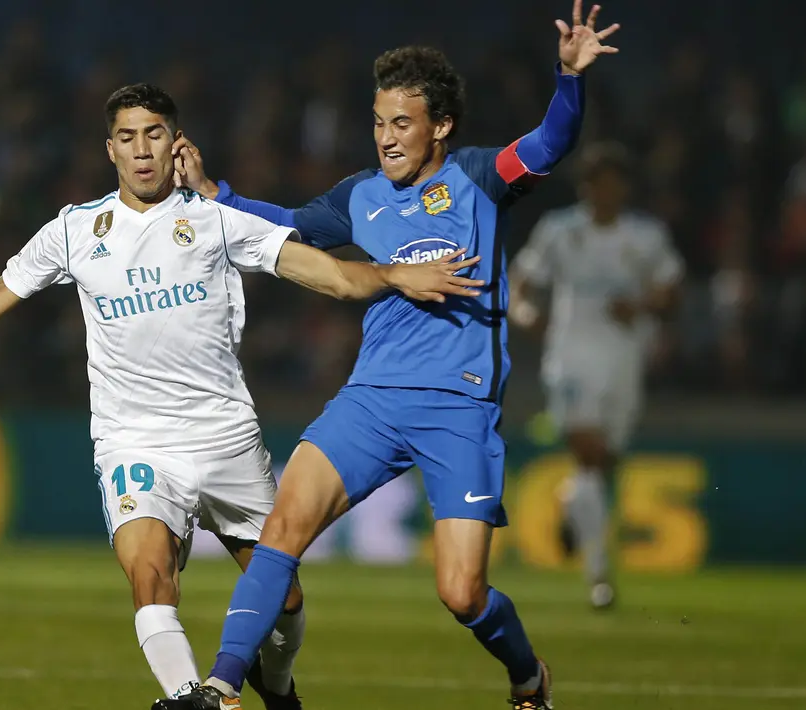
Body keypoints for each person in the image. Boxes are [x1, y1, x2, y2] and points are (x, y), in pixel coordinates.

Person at [0, 83, 485, 707]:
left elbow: (329, 275)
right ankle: (189, 698)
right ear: (109, 149)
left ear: (176, 143)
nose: (141, 150)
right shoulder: (74, 231)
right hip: (134, 440)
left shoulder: (217, 222)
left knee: (284, 600)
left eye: (153, 134)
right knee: (151, 576)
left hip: (224, 436)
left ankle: (278, 691)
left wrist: (394, 274)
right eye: (127, 137)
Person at [156, 3, 618, 708]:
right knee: (283, 528)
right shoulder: (361, 197)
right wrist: (218, 195)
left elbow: (549, 144)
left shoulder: (480, 178)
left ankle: (528, 679)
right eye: (377, 123)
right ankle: (220, 688)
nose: (385, 138)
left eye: (401, 123)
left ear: (440, 126)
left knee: (460, 592)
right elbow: (288, 226)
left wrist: (567, 78)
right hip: (370, 398)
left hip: (458, 407)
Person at [509, 141, 683, 609]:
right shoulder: (560, 231)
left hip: (625, 360)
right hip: (570, 357)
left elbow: (671, 291)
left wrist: (643, 304)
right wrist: (524, 313)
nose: (603, 190)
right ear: (585, 187)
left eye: (611, 181)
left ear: (622, 187)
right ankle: (598, 573)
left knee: (604, 462)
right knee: (589, 453)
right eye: (595, 181)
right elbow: (521, 283)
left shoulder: (644, 237)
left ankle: (571, 502)